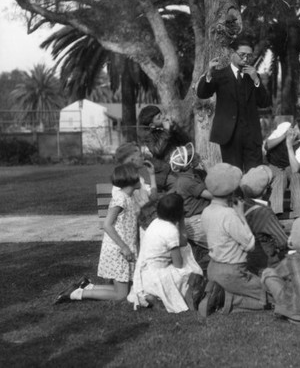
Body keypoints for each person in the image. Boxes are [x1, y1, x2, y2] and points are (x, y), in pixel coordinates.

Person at [55, 164, 141, 303]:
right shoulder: (121, 199)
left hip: (124, 247)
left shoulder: (129, 197)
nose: (141, 180)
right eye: (138, 177)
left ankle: (88, 286)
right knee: (121, 295)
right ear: (131, 179)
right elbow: (107, 225)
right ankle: (78, 294)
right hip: (118, 249)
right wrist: (124, 247)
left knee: (124, 289)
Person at [199, 163, 270, 317]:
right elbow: (250, 244)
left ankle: (216, 290)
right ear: (232, 192)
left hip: (213, 267)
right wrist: (241, 215)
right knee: (270, 295)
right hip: (233, 271)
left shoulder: (206, 211)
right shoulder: (229, 215)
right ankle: (226, 299)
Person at [196, 37, 272, 171]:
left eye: (249, 55)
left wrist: (256, 80)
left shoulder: (254, 75)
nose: (246, 58)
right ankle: (236, 193)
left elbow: (265, 102)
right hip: (229, 135)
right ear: (232, 54)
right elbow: (202, 93)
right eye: (242, 55)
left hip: (251, 135)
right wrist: (209, 73)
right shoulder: (219, 74)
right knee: (232, 174)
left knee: (254, 174)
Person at [127, 193, 205, 312]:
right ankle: (170, 295)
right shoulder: (171, 231)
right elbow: (178, 263)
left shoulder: (156, 222)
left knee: (185, 252)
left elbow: (183, 242)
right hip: (158, 276)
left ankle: (151, 295)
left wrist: (181, 220)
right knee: (192, 270)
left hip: (145, 273)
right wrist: (182, 221)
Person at [168, 143, 212, 271]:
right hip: (195, 221)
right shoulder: (187, 181)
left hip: (200, 217)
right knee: (220, 247)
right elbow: (212, 195)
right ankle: (202, 272)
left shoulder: (194, 174)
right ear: (189, 164)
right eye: (194, 157)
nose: (198, 157)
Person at [265, 118, 300, 218]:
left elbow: (295, 168)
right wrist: (283, 137)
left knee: (296, 176)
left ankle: (297, 213)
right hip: (272, 164)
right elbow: (267, 146)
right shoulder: (285, 126)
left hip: (288, 167)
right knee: (280, 176)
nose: (295, 129)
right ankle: (275, 213)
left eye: (299, 129)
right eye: (296, 125)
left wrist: (289, 145)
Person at [238, 165, 288, 275]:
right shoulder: (264, 213)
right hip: (268, 265)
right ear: (266, 191)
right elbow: (283, 242)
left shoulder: (241, 205)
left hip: (248, 262)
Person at [137, 105, 191, 191]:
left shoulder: (167, 129)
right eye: (159, 117)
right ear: (152, 125)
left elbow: (186, 141)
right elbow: (157, 151)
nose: (163, 117)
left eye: (162, 114)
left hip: (179, 166)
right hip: (165, 172)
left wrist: (175, 127)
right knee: (181, 186)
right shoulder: (148, 136)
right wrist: (166, 131)